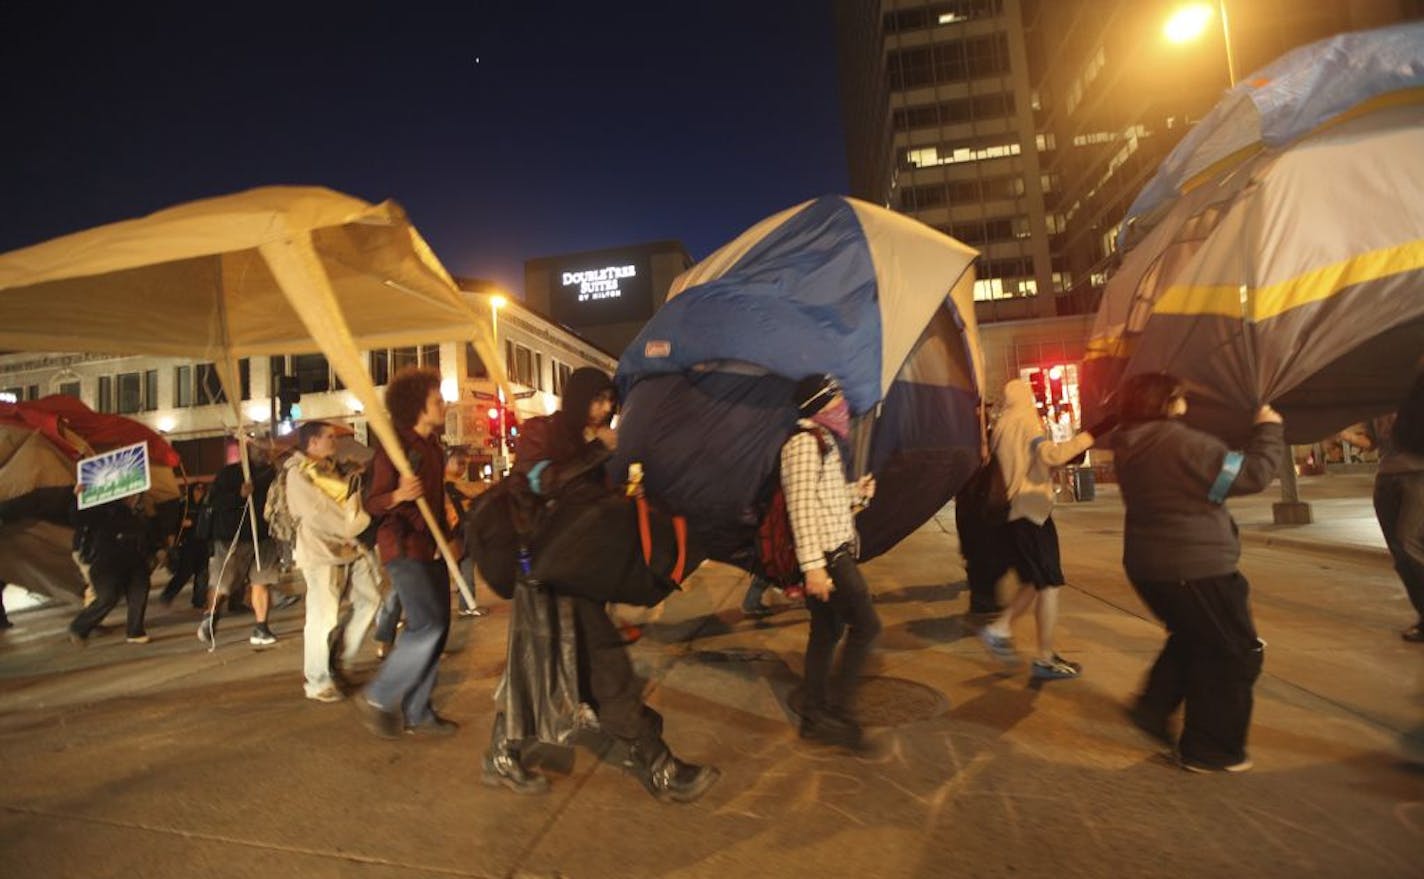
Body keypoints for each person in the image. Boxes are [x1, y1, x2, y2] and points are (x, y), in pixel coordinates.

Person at [482, 366, 719, 803]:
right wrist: (594, 453)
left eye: (610, 400)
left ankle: (506, 750)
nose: (607, 408)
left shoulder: (593, 444)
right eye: (598, 399)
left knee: (561, 673)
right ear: (577, 399)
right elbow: (539, 483)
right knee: (591, 671)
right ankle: (657, 764)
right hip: (545, 581)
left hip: (581, 576)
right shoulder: (543, 433)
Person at [1109, 373, 1284, 773]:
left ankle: (1153, 708)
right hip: (1196, 569)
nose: (1186, 403)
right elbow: (1249, 476)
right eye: (1181, 397)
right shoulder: (1182, 443)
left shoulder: (1133, 443)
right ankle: (1211, 750)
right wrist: (1269, 429)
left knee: (1194, 637)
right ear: (1167, 403)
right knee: (1234, 653)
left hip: (1152, 568)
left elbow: (1212, 485)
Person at [356, 368, 458, 738]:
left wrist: (447, 539)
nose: (444, 405)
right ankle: (380, 695)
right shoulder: (396, 449)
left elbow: (434, 499)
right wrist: (399, 494)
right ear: (418, 406)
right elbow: (373, 502)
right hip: (402, 547)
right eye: (437, 400)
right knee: (426, 624)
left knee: (439, 627)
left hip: (430, 548)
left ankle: (418, 712)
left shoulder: (434, 447)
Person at [781, 374, 880, 752]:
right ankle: (835, 711)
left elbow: (825, 498)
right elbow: (801, 507)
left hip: (833, 552)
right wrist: (813, 568)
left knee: (826, 633)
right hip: (828, 559)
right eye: (835, 397)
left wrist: (857, 492)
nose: (842, 404)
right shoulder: (804, 444)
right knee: (867, 627)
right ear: (820, 404)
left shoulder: (822, 443)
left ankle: (814, 714)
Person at [977, 379, 1095, 679]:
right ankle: (1041, 654)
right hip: (1032, 511)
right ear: (1026, 396)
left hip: (1012, 515)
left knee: (1033, 581)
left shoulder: (1002, 424)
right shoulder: (1026, 420)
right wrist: (1086, 439)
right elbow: (1049, 455)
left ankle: (1002, 629)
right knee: (1050, 583)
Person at [285, 421, 383, 702]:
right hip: (321, 550)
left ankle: (340, 657)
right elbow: (317, 513)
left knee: (370, 599)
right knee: (322, 614)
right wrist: (353, 530)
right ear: (312, 442)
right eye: (329, 437)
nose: (334, 442)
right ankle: (317, 679)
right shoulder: (298, 473)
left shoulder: (331, 467)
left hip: (350, 546)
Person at [198, 441, 282, 647]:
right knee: (224, 583)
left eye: (267, 449)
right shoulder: (229, 474)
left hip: (263, 536)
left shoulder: (273, 474)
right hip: (233, 537)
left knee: (261, 581)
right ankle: (211, 614)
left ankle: (261, 627)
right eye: (260, 449)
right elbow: (215, 502)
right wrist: (239, 494)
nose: (265, 453)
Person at [1372, 372, 1424, 642]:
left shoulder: (1416, 388)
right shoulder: (1378, 397)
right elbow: (1374, 442)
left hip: (1417, 475)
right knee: (1400, 553)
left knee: (1409, 544)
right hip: (1386, 475)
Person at [68, 491, 155, 645]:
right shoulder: (104, 509)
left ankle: (135, 632)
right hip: (107, 561)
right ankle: (79, 626)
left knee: (139, 593)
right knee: (107, 597)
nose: (133, 497)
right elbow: (78, 518)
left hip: (135, 559)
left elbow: (148, 532)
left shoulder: (138, 510)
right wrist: (78, 497)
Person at [159, 482, 211, 608]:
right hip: (187, 543)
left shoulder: (206, 506)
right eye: (197, 489)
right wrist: (180, 525)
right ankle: (167, 595)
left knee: (202, 573)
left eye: (202, 489)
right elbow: (173, 522)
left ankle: (199, 600)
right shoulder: (184, 506)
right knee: (184, 572)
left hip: (203, 543)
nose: (199, 491)